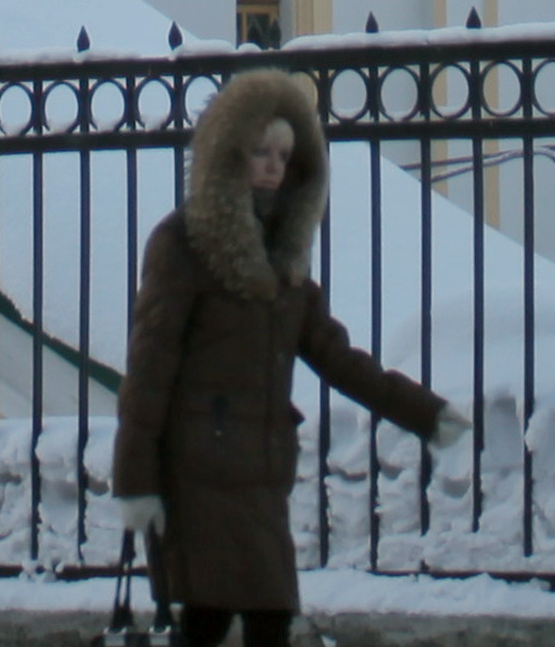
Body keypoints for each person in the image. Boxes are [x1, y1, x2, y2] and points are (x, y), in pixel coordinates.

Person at [112, 64, 448, 647]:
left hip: (261, 476)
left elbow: (336, 356)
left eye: (284, 155)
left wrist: (426, 414)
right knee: (212, 621)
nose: (271, 165)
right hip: (197, 471)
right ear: (229, 154)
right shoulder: (184, 244)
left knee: (266, 620)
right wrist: (136, 479)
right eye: (259, 150)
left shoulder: (283, 261)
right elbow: (150, 366)